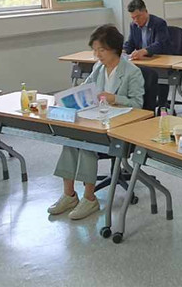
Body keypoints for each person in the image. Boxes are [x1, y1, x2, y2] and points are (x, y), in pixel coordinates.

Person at [48, 25, 145, 220]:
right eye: (95, 50)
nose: (97, 55)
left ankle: (89, 198)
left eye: (101, 50)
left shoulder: (132, 72)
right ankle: (69, 195)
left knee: (86, 143)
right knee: (70, 140)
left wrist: (114, 98)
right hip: (98, 121)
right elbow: (85, 90)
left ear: (114, 49)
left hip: (120, 127)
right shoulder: (98, 68)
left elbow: (138, 104)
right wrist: (67, 100)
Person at [123, 0, 172, 108]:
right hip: (144, 61)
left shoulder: (159, 23)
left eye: (138, 16)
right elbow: (130, 43)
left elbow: (160, 44)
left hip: (160, 60)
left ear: (145, 11)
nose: (136, 20)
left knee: (157, 76)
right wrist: (123, 51)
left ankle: (162, 104)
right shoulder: (133, 25)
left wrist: (144, 51)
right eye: (133, 18)